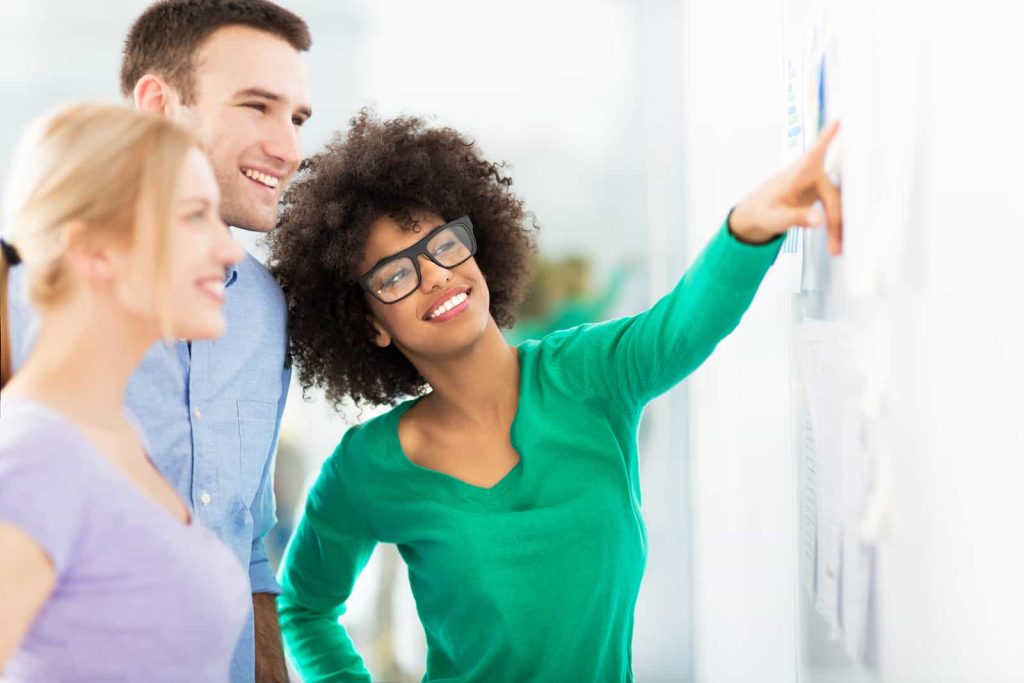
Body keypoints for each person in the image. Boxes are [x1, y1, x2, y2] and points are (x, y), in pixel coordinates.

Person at [267, 110, 842, 682]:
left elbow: (682, 327)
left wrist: (749, 227)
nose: (437, 276)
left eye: (443, 245)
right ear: (369, 324)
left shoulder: (587, 377)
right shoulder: (368, 467)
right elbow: (305, 605)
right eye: (395, 276)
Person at [5, 2, 313, 680]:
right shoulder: (14, 307)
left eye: (297, 118)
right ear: (157, 102)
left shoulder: (265, 312)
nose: (290, 148)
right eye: (257, 106)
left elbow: (246, 537)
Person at [0, 103, 248, 681]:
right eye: (194, 216)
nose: (229, 249)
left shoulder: (114, 435)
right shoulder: (33, 455)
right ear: (93, 250)